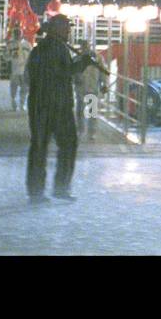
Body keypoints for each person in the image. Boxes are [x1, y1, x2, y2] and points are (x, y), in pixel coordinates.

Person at [27, 15, 101, 202]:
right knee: (67, 144)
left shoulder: (40, 49)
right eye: (66, 27)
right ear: (57, 28)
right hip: (57, 106)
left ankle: (36, 189)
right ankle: (60, 187)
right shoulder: (56, 48)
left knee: (39, 147)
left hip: (39, 105)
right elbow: (64, 72)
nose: (69, 31)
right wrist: (84, 62)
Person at [72, 40, 104, 142]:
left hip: (92, 86)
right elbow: (71, 72)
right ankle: (81, 130)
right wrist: (74, 79)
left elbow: (102, 71)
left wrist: (104, 83)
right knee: (80, 111)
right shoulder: (76, 58)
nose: (85, 49)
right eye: (83, 47)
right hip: (81, 87)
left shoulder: (97, 58)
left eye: (86, 46)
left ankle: (92, 132)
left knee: (92, 111)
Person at [9, 37, 32, 112]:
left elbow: (31, 56)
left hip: (24, 70)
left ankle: (22, 104)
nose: (17, 33)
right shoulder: (10, 45)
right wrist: (11, 56)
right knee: (13, 88)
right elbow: (5, 56)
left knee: (25, 88)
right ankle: (14, 103)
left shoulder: (27, 44)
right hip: (15, 70)